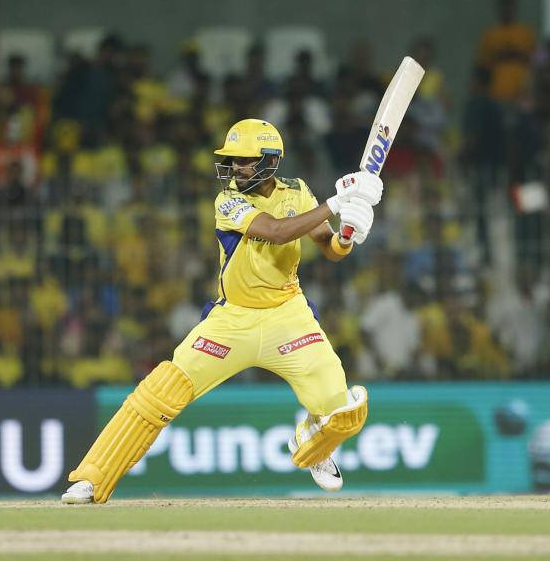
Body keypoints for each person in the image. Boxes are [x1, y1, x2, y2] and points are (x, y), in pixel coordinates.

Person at [62, 118, 381, 503]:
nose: (235, 168)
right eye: (231, 161)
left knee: (344, 409)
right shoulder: (228, 200)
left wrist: (346, 235)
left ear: (271, 161)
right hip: (232, 320)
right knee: (160, 392)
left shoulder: (298, 192)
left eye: (245, 161)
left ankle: (315, 440)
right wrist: (335, 203)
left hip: (288, 317)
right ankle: (92, 479)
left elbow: (328, 248)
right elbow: (276, 231)